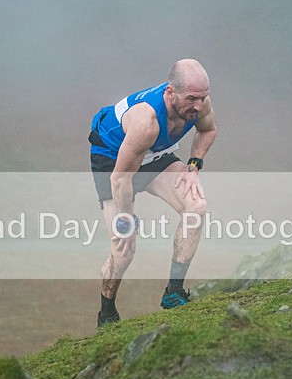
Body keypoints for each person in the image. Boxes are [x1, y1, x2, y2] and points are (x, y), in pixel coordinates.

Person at [88, 59, 218, 327]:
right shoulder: (146, 120)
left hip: (154, 155)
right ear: (171, 93)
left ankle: (173, 292)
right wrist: (126, 220)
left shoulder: (200, 104)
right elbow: (120, 179)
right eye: (191, 98)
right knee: (124, 248)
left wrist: (193, 165)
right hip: (113, 162)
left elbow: (208, 130)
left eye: (202, 98)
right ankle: (107, 314)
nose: (197, 105)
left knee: (196, 206)